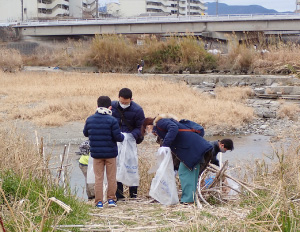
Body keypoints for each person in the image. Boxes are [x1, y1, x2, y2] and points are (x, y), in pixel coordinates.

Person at [141, 114, 213, 204]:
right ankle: (190, 199)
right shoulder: (165, 126)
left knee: (185, 173)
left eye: (146, 131)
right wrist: (174, 168)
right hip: (196, 148)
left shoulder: (160, 122)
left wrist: (165, 144)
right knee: (191, 173)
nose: (149, 133)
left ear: (148, 126)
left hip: (191, 149)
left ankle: (187, 201)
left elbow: (173, 128)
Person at [83, 96, 124, 208]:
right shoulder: (112, 120)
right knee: (111, 177)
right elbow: (118, 137)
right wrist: (123, 137)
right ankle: (111, 200)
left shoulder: (90, 119)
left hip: (96, 154)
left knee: (98, 178)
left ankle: (99, 202)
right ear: (109, 107)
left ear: (97, 106)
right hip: (110, 154)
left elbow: (86, 133)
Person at [111, 88, 145, 200]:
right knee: (117, 166)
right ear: (118, 98)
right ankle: (119, 194)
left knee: (131, 166)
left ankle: (133, 194)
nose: (124, 104)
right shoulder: (113, 106)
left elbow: (141, 128)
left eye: (126, 102)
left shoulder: (138, 110)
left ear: (131, 99)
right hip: (116, 141)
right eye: (122, 102)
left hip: (130, 142)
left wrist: (129, 136)